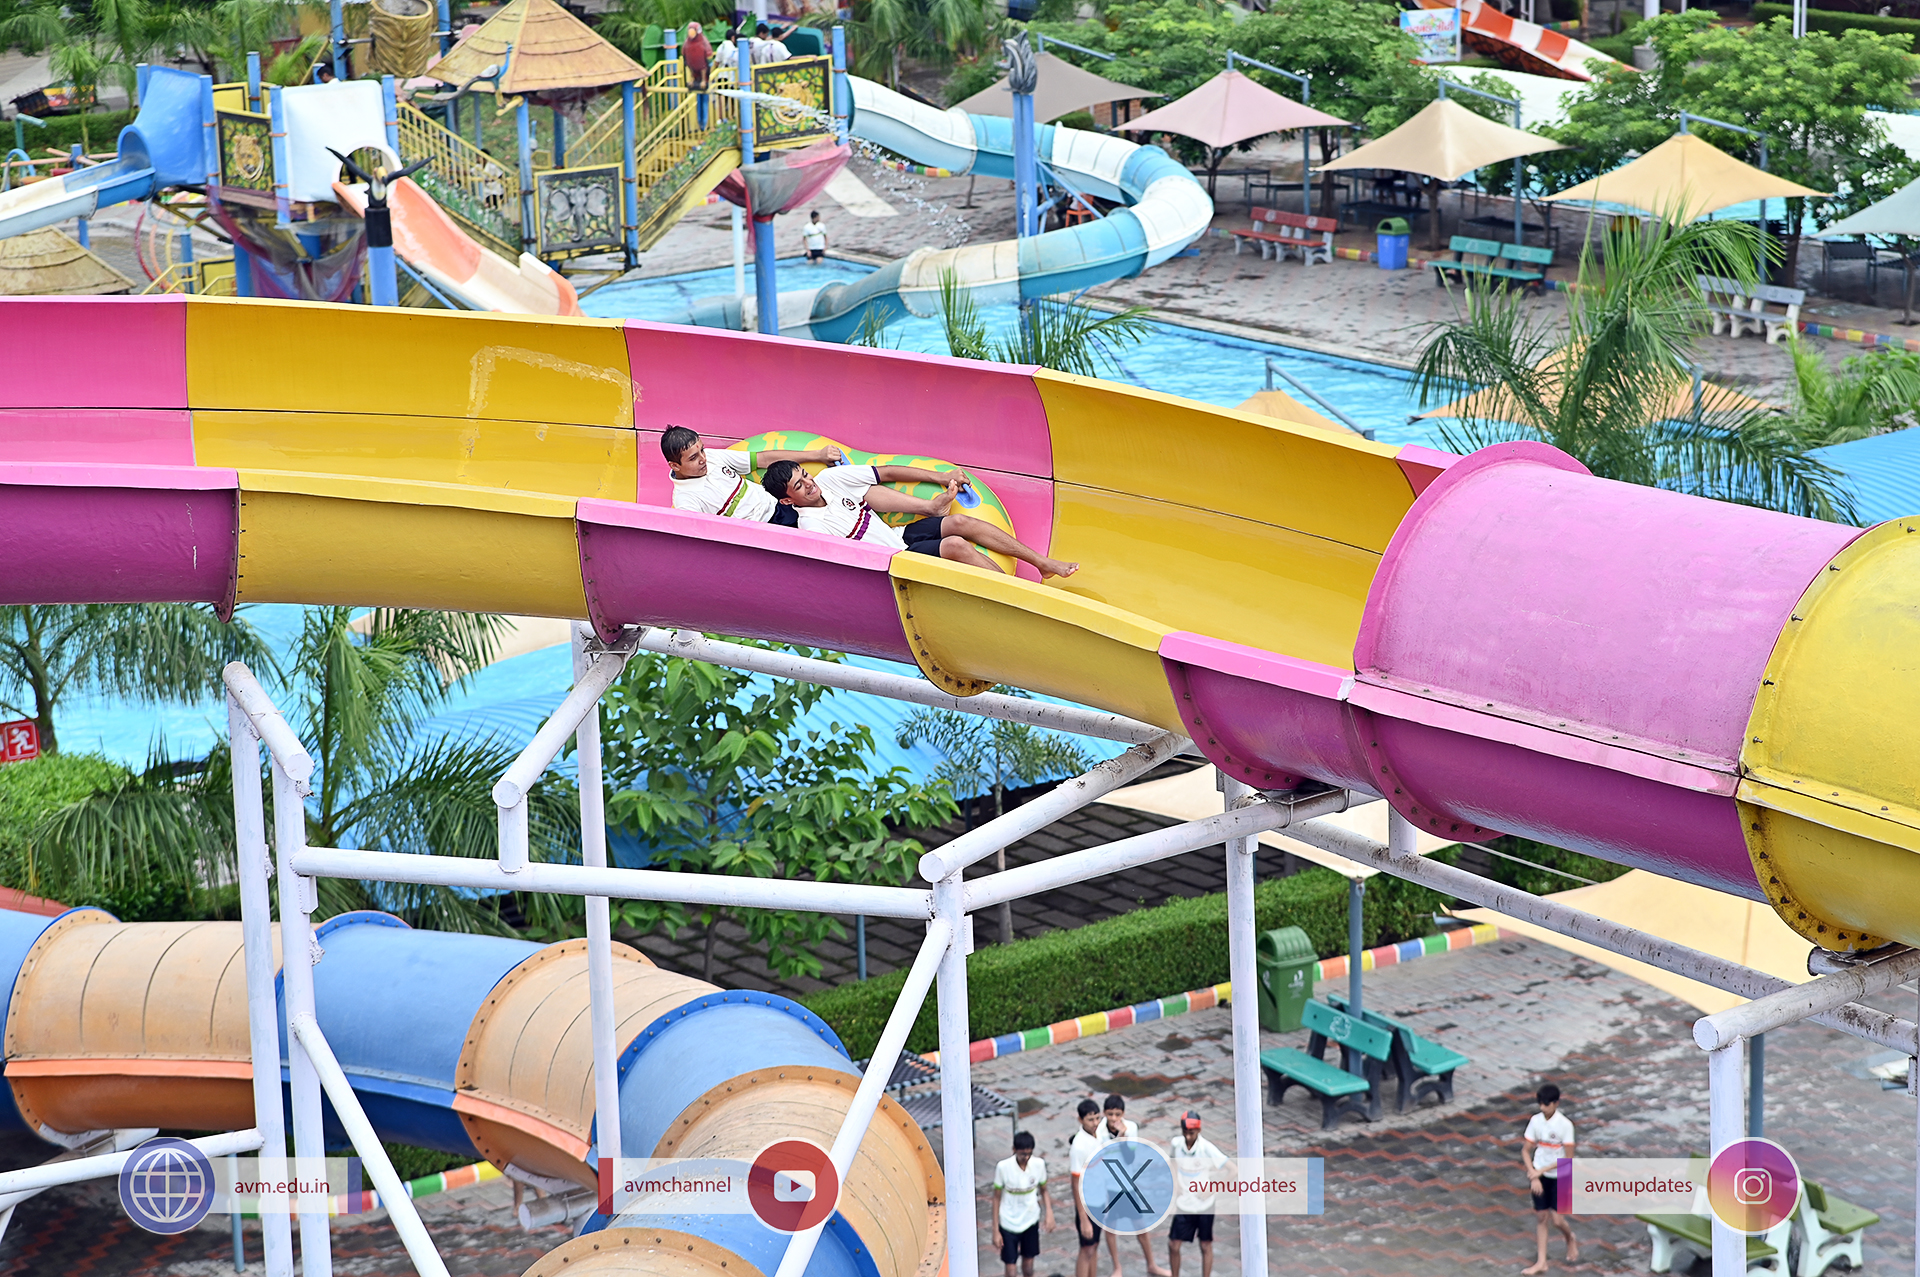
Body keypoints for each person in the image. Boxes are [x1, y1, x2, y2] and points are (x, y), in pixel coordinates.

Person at [760, 459, 1079, 579]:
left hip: (898, 535)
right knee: (955, 544)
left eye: (805, 475)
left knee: (961, 523)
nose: (809, 483)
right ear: (787, 500)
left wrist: (941, 477)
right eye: (799, 485)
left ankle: (1042, 563)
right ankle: (1020, 594)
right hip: (894, 559)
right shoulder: (812, 527)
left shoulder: (830, 479)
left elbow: (886, 472)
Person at [660, 426, 840, 528]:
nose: (703, 459)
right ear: (675, 465)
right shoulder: (686, 501)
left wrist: (818, 455)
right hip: (763, 531)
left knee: (833, 515)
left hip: (779, 507)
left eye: (702, 450)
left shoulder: (713, 457)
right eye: (693, 458)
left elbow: (763, 459)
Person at [1098, 1095, 1170, 1277]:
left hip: (1128, 1186)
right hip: (1108, 1188)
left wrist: (1123, 1137)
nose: (1114, 1118)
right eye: (1110, 1114)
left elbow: (1129, 1158)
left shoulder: (1131, 1128)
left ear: (1123, 1113)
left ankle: (1151, 1264)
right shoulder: (1098, 1132)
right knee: (1110, 1228)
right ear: (1104, 1113)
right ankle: (1117, 1267)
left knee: (1140, 1226)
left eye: (1117, 1114)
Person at [1521, 1082, 1577, 1275]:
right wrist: (1534, 1174)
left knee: (1558, 1220)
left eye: (1546, 1104)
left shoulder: (1565, 1125)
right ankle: (1541, 1262)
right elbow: (1526, 1151)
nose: (1542, 1107)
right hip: (1540, 1174)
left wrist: (1541, 1170)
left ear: (1556, 1103)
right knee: (1541, 1217)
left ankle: (1570, 1237)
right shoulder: (1535, 1121)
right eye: (1540, 1103)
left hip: (1561, 1176)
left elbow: (1568, 1159)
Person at [1165, 1112, 1224, 1277]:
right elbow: (1173, 1162)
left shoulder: (1206, 1148)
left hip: (1204, 1206)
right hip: (1184, 1204)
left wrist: (1213, 1188)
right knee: (1173, 1245)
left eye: (1191, 1133)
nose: (1188, 1136)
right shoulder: (1176, 1144)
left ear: (1199, 1130)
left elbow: (1233, 1170)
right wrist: (1176, 1182)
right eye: (1185, 1132)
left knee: (1205, 1245)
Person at [992, 1130, 1054, 1277]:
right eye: (1022, 1154)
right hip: (1008, 1223)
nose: (1026, 1158)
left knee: (1028, 1267)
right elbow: (996, 1198)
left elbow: (1044, 1190)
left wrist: (1049, 1213)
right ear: (1014, 1150)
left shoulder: (1038, 1164)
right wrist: (995, 1230)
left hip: (1030, 1220)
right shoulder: (1003, 1167)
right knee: (1011, 1269)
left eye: (1029, 1154)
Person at [1069, 1100, 1104, 1277]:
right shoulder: (1079, 1147)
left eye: (1097, 1118)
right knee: (1086, 1249)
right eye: (1090, 1119)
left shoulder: (1099, 1133)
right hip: (1087, 1204)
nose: (1095, 1123)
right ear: (1080, 1120)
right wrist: (1083, 1219)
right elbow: (1075, 1184)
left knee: (1095, 1245)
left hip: (1100, 1201)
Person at [683, 20, 713, 91]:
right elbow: (684, 55)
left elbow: (709, 58)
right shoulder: (686, 44)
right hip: (692, 67)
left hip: (704, 68)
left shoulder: (704, 42)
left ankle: (703, 79)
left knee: (703, 68)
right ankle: (692, 78)